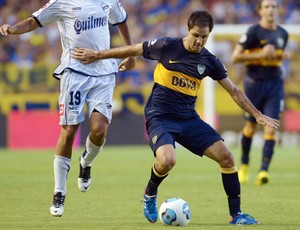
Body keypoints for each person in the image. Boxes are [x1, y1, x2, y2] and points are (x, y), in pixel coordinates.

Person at [71, 10, 280, 225]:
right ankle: (150, 194)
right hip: (159, 116)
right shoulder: (166, 46)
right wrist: (98, 55)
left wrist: (257, 114)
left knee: (226, 157)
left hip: (188, 119)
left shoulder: (209, 61)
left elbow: (234, 91)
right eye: (196, 35)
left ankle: (236, 215)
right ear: (188, 30)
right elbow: (134, 48)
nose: (199, 41)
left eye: (204, 37)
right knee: (167, 160)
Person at [0, 0, 135, 217]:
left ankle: (86, 162)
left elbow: (121, 20)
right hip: (75, 72)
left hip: (104, 73)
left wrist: (130, 53)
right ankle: (59, 192)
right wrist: (13, 29)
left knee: (99, 130)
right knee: (69, 130)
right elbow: (34, 20)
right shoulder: (61, 2)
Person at [231, 0, 289, 186]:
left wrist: (279, 56)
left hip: (274, 85)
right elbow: (235, 56)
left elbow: (275, 57)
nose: (271, 10)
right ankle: (245, 166)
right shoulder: (252, 32)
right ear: (260, 10)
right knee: (250, 128)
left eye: (273, 6)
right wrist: (260, 55)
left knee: (271, 128)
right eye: (267, 6)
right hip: (254, 85)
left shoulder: (283, 34)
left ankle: (264, 170)